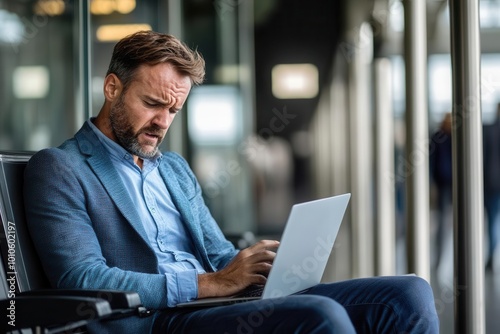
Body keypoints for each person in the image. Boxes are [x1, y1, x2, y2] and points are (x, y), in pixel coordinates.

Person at [24, 31, 439, 333]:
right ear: (112, 88)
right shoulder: (61, 167)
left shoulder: (173, 169)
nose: (162, 123)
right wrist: (213, 283)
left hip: (217, 301)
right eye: (152, 104)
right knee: (320, 317)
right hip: (156, 320)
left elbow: (219, 252)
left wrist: (261, 267)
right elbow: (83, 278)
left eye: (174, 110)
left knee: (408, 294)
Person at [429, 112, 453, 270]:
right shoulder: (445, 137)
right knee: (445, 221)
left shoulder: (438, 137)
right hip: (447, 183)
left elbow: (432, 162)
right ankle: (440, 259)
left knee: (445, 221)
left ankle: (440, 260)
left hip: (444, 182)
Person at [483, 104, 500, 271]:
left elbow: (483, 159)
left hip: (492, 184)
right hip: (493, 184)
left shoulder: (488, 129)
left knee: (493, 221)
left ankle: (492, 256)